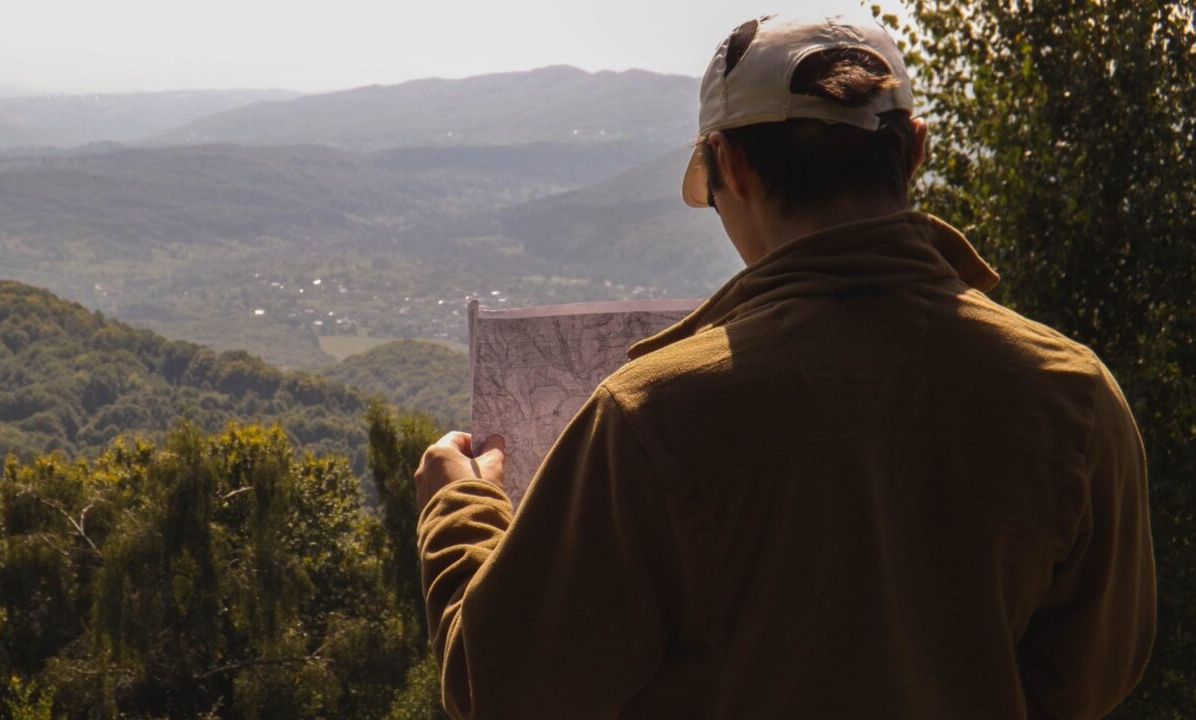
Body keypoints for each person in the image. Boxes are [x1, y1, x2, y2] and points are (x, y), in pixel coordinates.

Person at [413, 13, 1155, 719]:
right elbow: (1092, 678)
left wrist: (458, 507)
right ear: (916, 150)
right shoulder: (1077, 397)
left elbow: (500, 686)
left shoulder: (647, 416)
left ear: (730, 165)